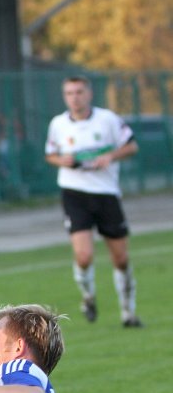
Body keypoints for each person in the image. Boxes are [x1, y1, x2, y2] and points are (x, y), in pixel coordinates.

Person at [45, 75, 142, 327]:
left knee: (120, 258)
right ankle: (88, 297)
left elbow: (131, 146)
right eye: (69, 93)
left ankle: (128, 313)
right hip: (74, 193)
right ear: (64, 96)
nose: (74, 98)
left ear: (89, 94)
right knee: (84, 255)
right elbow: (50, 154)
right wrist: (61, 161)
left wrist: (111, 155)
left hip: (106, 193)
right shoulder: (58, 124)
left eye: (79, 92)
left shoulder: (107, 119)